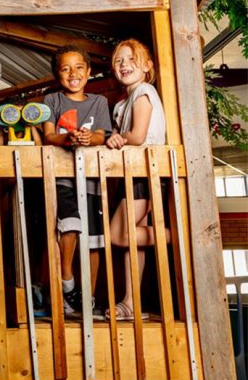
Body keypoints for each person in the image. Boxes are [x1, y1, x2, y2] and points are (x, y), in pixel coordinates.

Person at [42, 45, 112, 320]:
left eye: (79, 67)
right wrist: (69, 138)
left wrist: (87, 138)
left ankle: (87, 298)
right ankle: (67, 283)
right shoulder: (52, 100)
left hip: (91, 177)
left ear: (89, 72)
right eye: (66, 68)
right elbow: (49, 136)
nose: (73, 73)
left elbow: (101, 135)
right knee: (68, 225)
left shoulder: (98, 102)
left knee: (93, 239)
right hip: (61, 175)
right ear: (57, 74)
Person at [106, 38, 169, 321]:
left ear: (147, 66)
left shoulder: (144, 91)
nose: (124, 65)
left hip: (145, 170)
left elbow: (138, 136)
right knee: (133, 242)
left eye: (131, 59)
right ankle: (131, 302)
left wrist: (117, 139)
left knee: (118, 234)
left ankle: (176, 235)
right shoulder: (123, 102)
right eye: (119, 60)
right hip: (131, 171)